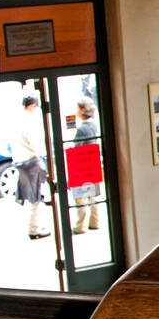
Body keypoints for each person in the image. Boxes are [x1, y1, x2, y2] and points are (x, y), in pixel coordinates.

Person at [13, 93, 50, 239]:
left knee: (31, 196)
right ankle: (34, 229)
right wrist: (41, 153)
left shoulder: (15, 119)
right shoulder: (28, 120)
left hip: (19, 161)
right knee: (37, 196)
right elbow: (34, 142)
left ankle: (35, 226)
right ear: (32, 106)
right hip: (31, 160)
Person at [71, 96, 102, 233]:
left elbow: (77, 150)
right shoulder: (93, 125)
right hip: (93, 165)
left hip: (82, 166)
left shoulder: (81, 130)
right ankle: (94, 222)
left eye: (77, 108)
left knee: (81, 197)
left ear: (82, 110)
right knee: (93, 195)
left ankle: (81, 226)